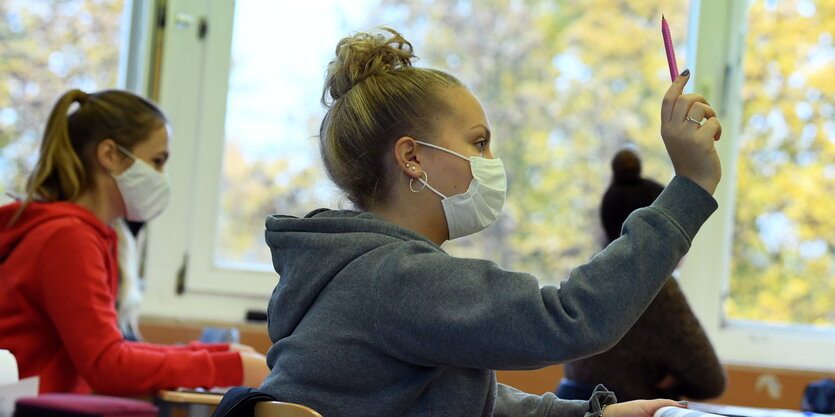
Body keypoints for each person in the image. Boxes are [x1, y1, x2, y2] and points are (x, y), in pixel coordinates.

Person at [259, 27, 722, 417]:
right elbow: (571, 318)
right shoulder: (396, 277)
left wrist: (591, 414)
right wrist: (690, 186)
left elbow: (460, 398)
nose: (491, 161)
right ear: (412, 158)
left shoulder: (354, 272)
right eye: (478, 143)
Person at [0, 89, 270, 395]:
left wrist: (215, 355)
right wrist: (231, 368)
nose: (161, 175)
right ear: (109, 155)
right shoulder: (68, 238)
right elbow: (108, 365)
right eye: (157, 161)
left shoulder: (81, 233)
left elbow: (109, 350)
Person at [555, 148, 726, 402]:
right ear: (657, 234)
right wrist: (675, 376)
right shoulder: (657, 289)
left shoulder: (588, 276)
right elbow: (710, 381)